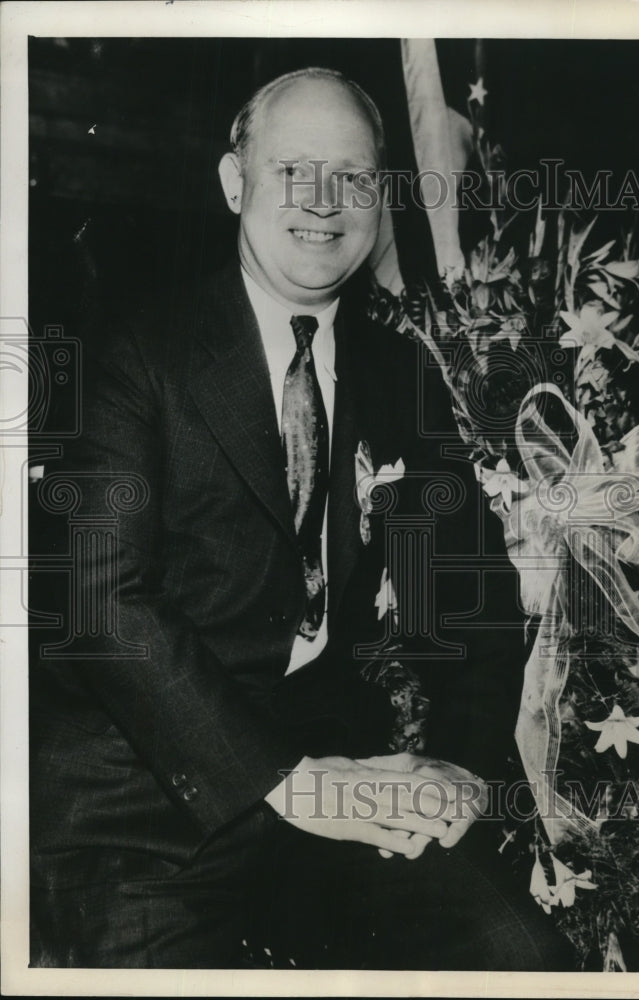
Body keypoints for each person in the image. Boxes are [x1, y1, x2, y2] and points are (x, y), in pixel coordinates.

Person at [29, 67, 572, 970]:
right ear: (234, 182)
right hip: (142, 816)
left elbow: (473, 597)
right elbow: (100, 604)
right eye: (293, 172)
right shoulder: (126, 349)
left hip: (340, 792)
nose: (325, 203)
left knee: (520, 959)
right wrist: (286, 784)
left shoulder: (401, 372)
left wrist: (464, 772)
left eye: (354, 178)